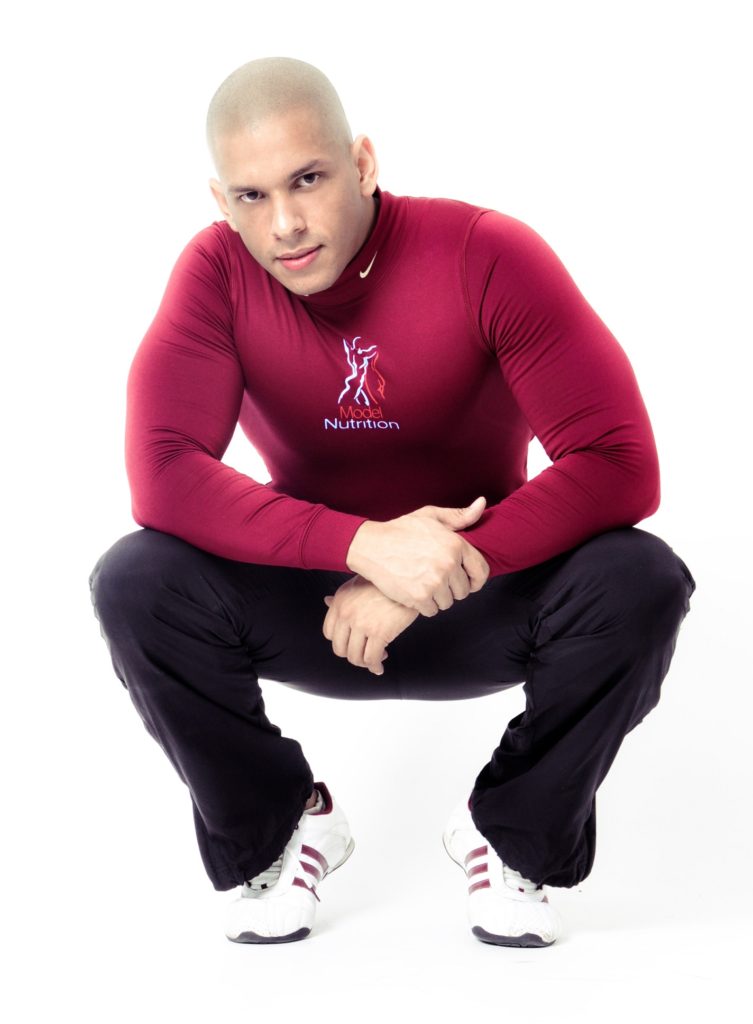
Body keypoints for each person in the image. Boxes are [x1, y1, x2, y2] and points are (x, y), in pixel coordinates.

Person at [88, 56, 696, 948]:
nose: (284, 224)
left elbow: (618, 462)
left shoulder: (485, 253)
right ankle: (279, 829)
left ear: (363, 162)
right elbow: (163, 473)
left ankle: (511, 831)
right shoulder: (216, 273)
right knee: (135, 579)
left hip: (487, 595)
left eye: (307, 179)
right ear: (221, 201)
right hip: (320, 608)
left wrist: (434, 567)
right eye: (252, 196)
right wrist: (362, 548)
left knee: (639, 578)